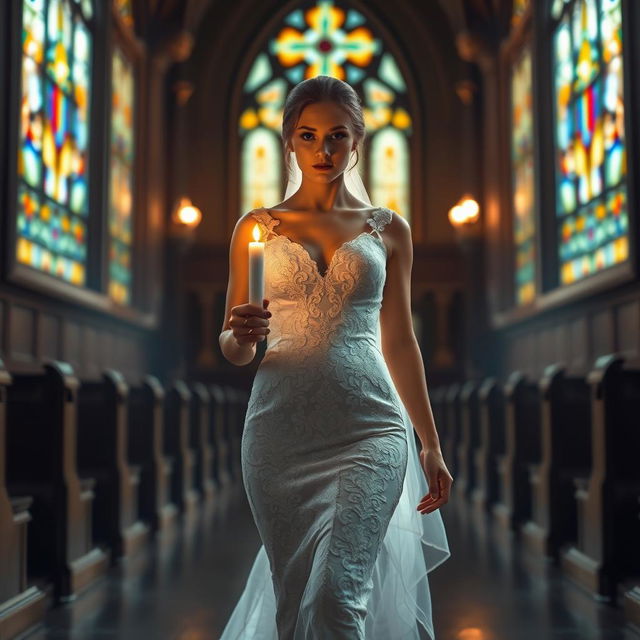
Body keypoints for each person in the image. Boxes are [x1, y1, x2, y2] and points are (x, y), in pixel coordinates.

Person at [218, 75, 453, 639]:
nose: (323, 151)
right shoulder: (255, 228)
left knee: (336, 597)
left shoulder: (389, 230)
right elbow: (232, 347)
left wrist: (431, 443)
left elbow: (399, 340)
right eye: (308, 136)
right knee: (293, 597)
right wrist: (242, 336)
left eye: (336, 137)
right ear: (289, 142)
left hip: (370, 426)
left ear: (357, 142)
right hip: (279, 433)